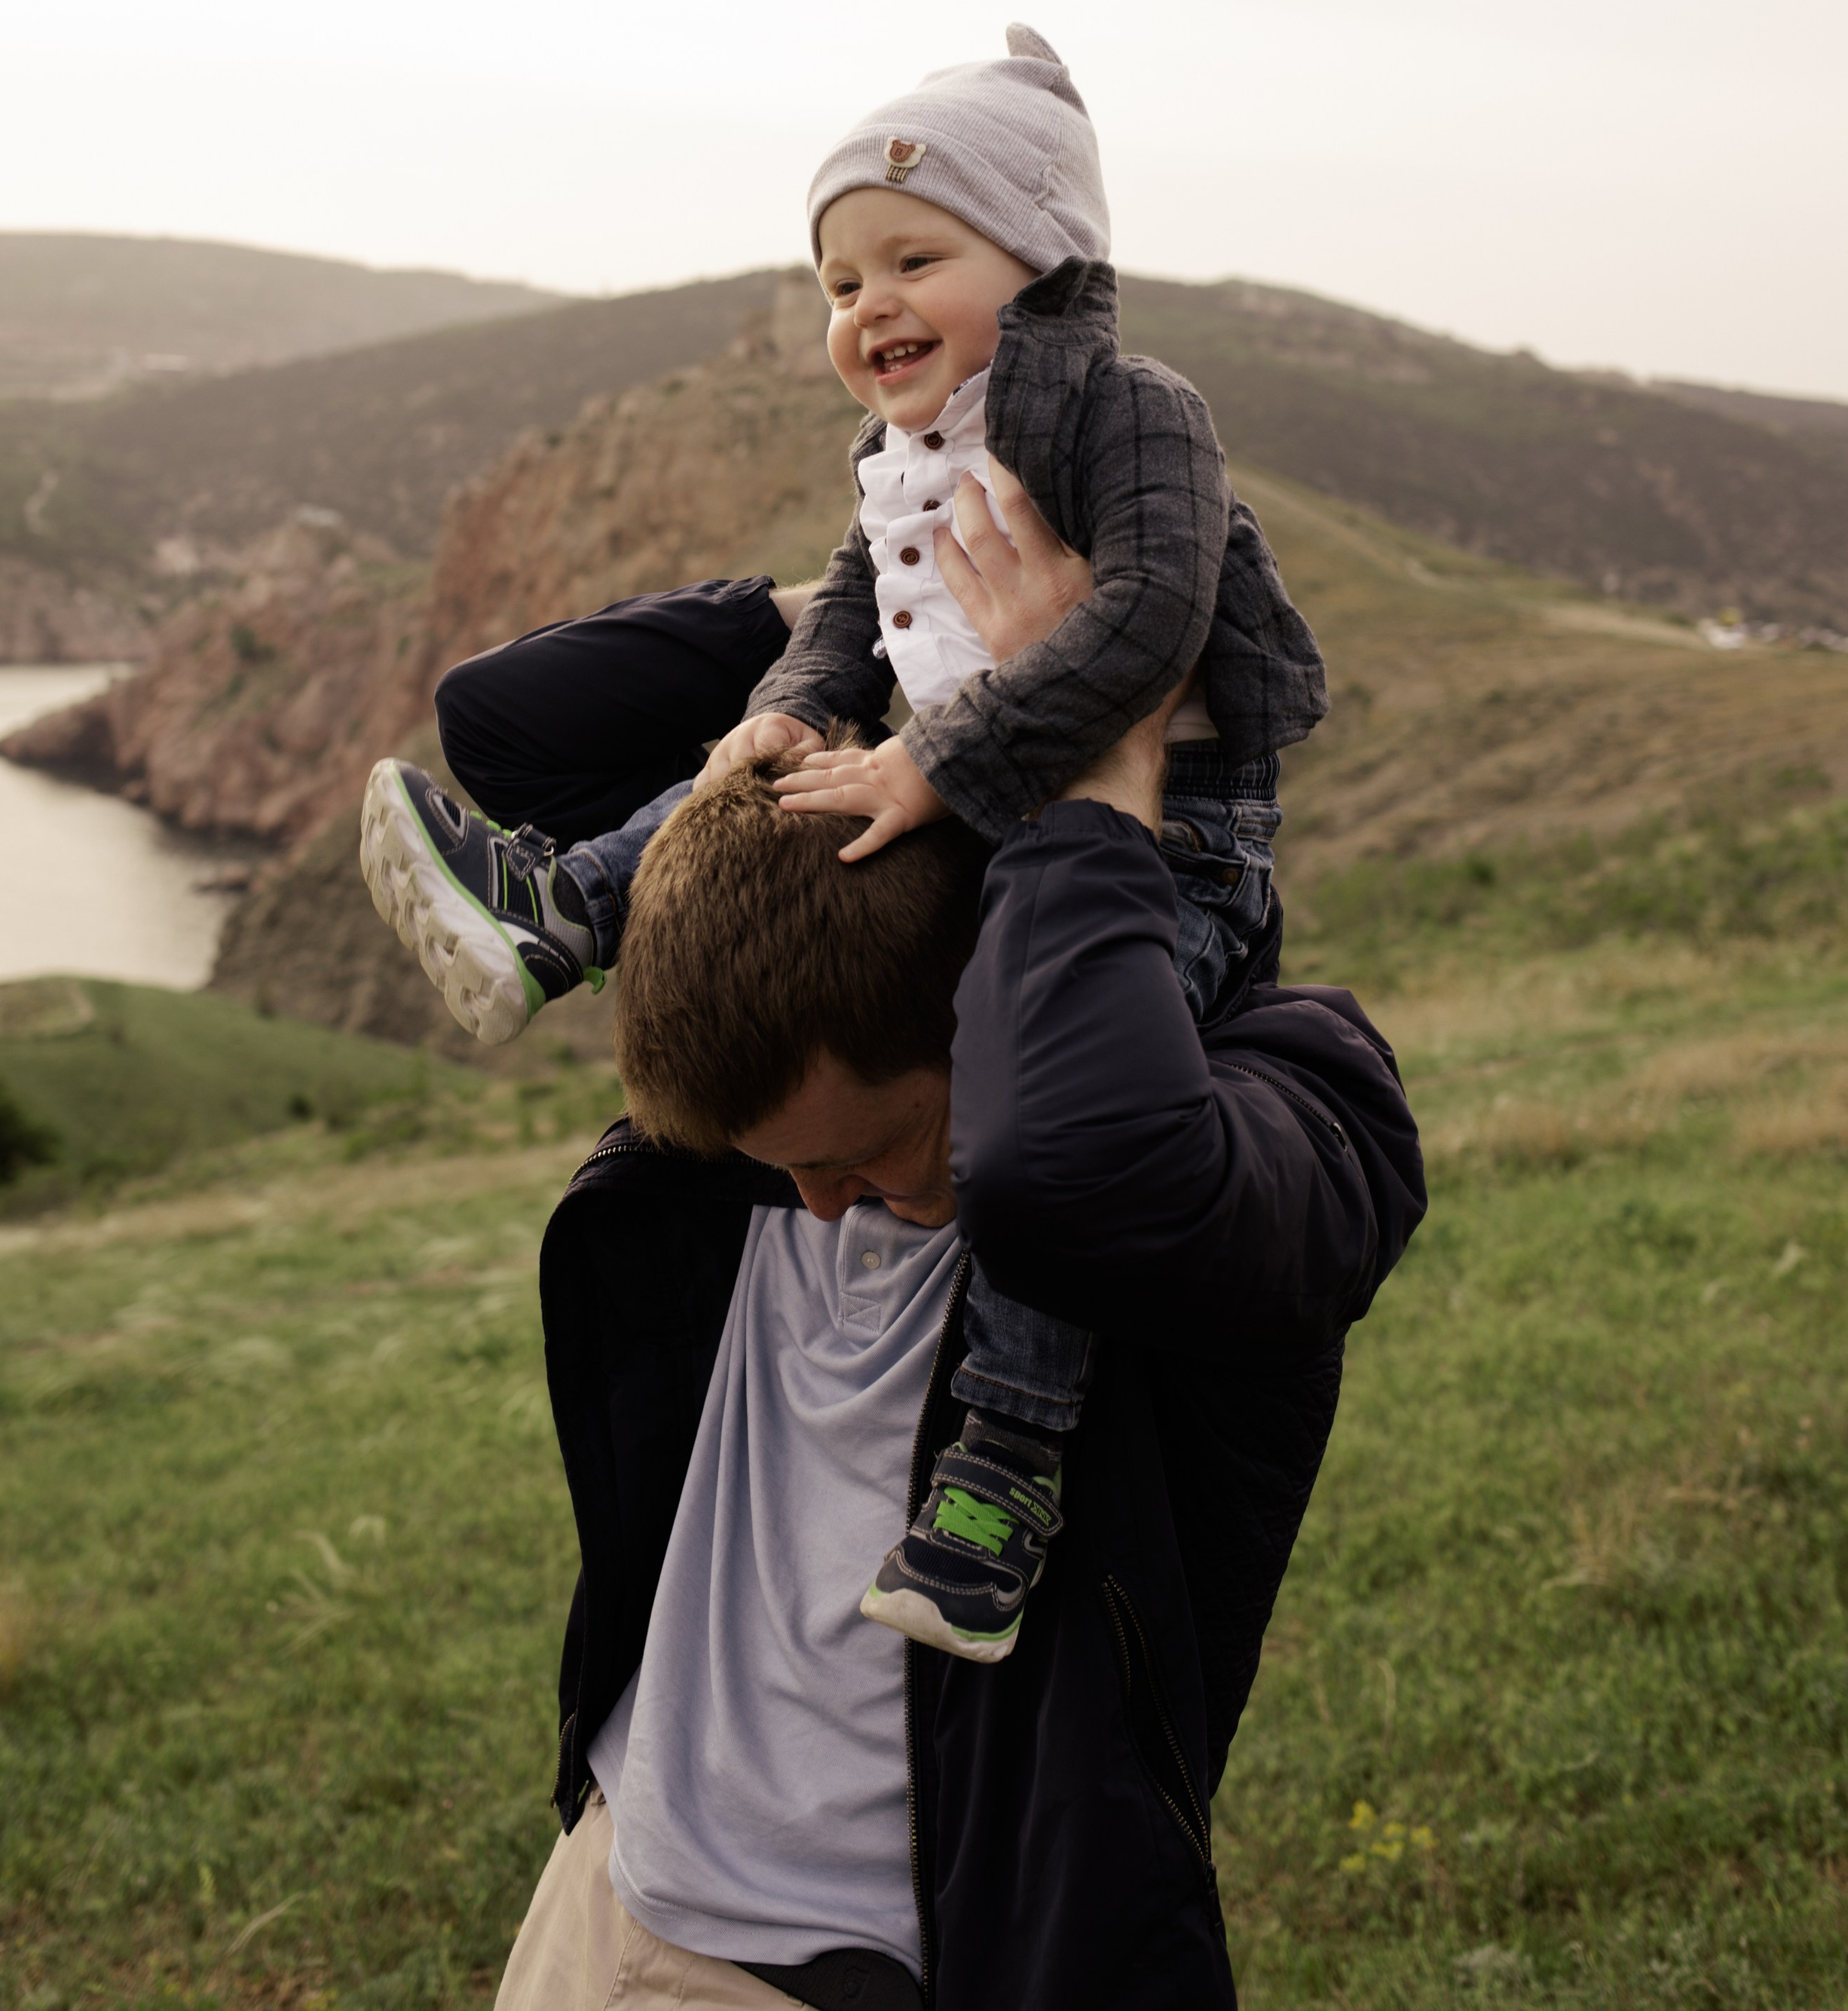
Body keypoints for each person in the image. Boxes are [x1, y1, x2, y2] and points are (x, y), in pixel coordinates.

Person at [363, 24, 1329, 1664]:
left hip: (1165, 842)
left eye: (913, 260)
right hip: (975, 785)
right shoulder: (901, 457)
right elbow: (845, 618)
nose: (867, 304)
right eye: (837, 280)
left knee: (1050, 1119)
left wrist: (938, 753)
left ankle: (1002, 1468)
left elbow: (1156, 617)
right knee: (764, 780)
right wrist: (792, 709)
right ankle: (561, 912)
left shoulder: (1132, 411)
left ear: (1044, 260)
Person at [480, 512, 1424, 2011]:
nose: (815, 1209)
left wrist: (1097, 785)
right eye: (781, 1171)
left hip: (878, 1959)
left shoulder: (1284, 1096)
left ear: (983, 1007)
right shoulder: (811, 1032)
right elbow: (502, 721)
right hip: (611, 1876)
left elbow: (1080, 1167)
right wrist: (897, 599)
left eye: (866, 1157)